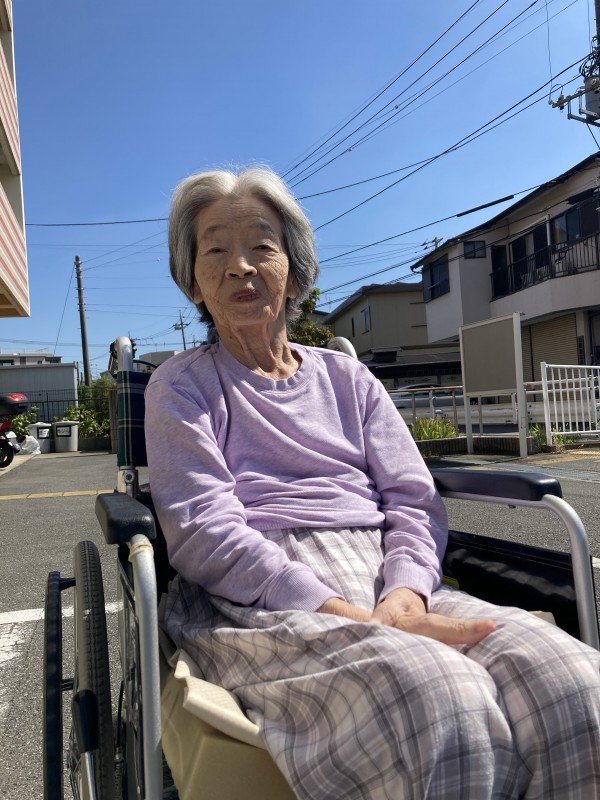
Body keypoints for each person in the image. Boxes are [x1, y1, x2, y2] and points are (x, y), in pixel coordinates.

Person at [145, 166, 600, 800]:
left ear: (295, 272)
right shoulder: (181, 385)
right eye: (215, 250)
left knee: (571, 680)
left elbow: (413, 498)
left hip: (389, 572)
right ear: (193, 281)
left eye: (261, 246)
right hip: (258, 595)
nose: (240, 266)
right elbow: (205, 531)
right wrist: (349, 615)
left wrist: (405, 596)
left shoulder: (350, 379)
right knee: (444, 701)